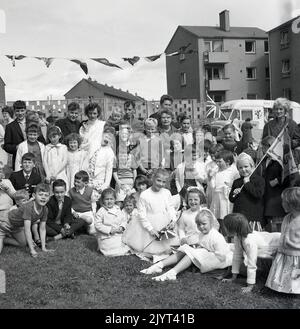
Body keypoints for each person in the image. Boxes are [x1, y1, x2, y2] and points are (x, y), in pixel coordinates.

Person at [140, 209, 233, 281]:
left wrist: (202, 252)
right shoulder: (202, 234)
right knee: (185, 249)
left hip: (219, 259)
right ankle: (159, 265)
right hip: (210, 254)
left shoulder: (216, 236)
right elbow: (203, 245)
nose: (201, 227)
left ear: (211, 223)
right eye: (199, 224)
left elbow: (222, 255)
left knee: (190, 254)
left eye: (204, 224)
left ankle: (173, 272)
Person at [122, 169, 178, 258]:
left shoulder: (166, 193)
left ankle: (164, 250)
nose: (160, 184)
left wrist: (173, 220)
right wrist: (150, 229)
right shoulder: (145, 195)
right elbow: (142, 214)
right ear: (153, 179)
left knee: (170, 247)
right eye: (158, 180)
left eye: (163, 182)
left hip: (164, 220)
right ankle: (149, 251)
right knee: (151, 247)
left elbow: (170, 208)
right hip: (149, 221)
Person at [222, 213, 280, 293]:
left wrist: (250, 285)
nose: (224, 229)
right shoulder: (238, 237)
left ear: (233, 229)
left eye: (226, 227)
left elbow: (252, 263)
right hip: (266, 246)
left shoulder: (248, 241)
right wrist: (233, 277)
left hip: (278, 242)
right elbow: (236, 256)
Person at [0, 183, 53, 257]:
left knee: (22, 243)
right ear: (34, 196)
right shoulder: (29, 207)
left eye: (46, 195)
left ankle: (5, 240)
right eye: (40, 194)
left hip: (16, 226)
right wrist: (32, 250)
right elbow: (27, 230)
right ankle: (1, 236)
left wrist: (43, 248)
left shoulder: (45, 209)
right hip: (6, 221)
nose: (43, 197)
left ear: (49, 198)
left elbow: (42, 229)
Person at [266, 187, 300, 294]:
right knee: (283, 272)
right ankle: (281, 287)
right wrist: (280, 248)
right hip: (284, 252)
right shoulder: (286, 218)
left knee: (294, 273)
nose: (282, 204)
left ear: (292, 204)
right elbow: (283, 235)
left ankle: (295, 290)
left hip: (296, 253)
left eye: (284, 202)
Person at [229, 153, 265, 230]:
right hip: (239, 216)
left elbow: (258, 194)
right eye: (240, 168)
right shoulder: (237, 182)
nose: (243, 169)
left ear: (252, 166)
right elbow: (231, 199)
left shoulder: (259, 180)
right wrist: (234, 193)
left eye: (246, 166)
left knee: (252, 239)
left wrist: (247, 184)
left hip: (253, 217)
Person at [258, 136, 287, 231]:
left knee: (277, 223)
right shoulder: (264, 160)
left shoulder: (280, 161)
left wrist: (277, 180)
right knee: (267, 222)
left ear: (270, 147)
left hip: (276, 197)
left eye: (264, 147)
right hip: (265, 195)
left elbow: (287, 175)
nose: (262, 149)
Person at [262, 98, 300, 164]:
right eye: (276, 109)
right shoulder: (268, 125)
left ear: (285, 110)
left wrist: (288, 143)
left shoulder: (292, 124)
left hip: (288, 159)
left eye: (281, 109)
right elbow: (263, 142)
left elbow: (298, 140)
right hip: (273, 159)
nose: (278, 111)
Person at [94, 188, 130, 256]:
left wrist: (122, 227)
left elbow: (123, 219)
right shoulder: (101, 211)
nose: (109, 201)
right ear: (103, 200)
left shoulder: (117, 208)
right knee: (113, 248)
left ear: (115, 200)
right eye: (107, 199)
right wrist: (109, 230)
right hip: (107, 236)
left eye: (111, 199)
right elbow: (97, 225)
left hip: (118, 233)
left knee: (127, 243)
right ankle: (109, 249)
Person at [210, 150, 239, 226]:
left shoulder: (234, 171)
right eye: (216, 161)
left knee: (226, 219)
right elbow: (212, 184)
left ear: (228, 162)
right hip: (216, 198)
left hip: (226, 199)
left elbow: (237, 184)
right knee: (217, 219)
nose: (217, 164)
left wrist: (231, 185)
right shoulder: (216, 171)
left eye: (220, 162)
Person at [113, 126, 137, 206]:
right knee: (119, 201)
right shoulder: (116, 158)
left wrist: (134, 180)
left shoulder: (131, 157)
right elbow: (114, 171)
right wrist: (118, 181)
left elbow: (134, 170)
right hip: (120, 181)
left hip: (130, 182)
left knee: (130, 202)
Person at [87, 131, 115, 196]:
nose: (107, 139)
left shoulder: (109, 151)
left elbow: (109, 170)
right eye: (106, 136)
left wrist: (105, 186)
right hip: (88, 181)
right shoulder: (92, 145)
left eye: (110, 138)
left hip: (99, 183)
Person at [3, 100, 27, 170]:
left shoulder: (33, 123)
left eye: (22, 110)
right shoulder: (10, 127)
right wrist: (16, 147)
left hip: (34, 159)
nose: (20, 113)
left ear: (25, 110)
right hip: (18, 161)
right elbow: (6, 146)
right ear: (14, 111)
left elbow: (42, 141)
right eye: (17, 111)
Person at [68, 170, 95, 234]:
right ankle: (82, 224)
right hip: (76, 213)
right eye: (75, 181)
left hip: (87, 212)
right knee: (86, 220)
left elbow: (93, 202)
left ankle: (85, 226)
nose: (75, 183)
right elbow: (68, 204)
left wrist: (94, 212)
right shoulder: (71, 191)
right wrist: (73, 212)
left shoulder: (90, 190)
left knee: (91, 232)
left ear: (85, 183)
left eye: (78, 182)